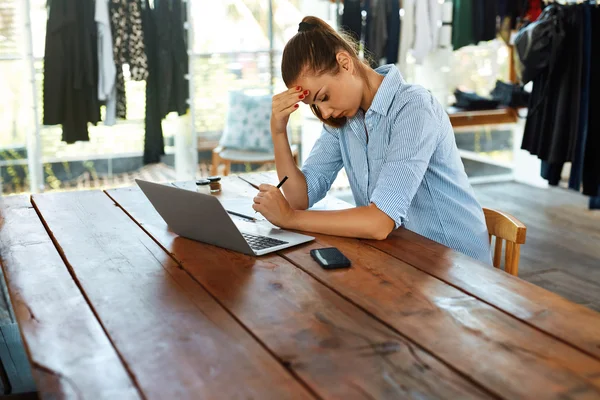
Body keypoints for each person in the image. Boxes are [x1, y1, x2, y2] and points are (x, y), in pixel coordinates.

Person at [251, 16, 492, 265]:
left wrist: (289, 219)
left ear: (345, 63)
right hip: (400, 257)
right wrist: (279, 132)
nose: (324, 113)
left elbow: (379, 222)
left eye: (323, 97)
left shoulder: (413, 108)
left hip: (457, 266)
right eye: (314, 106)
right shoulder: (345, 119)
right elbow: (299, 197)